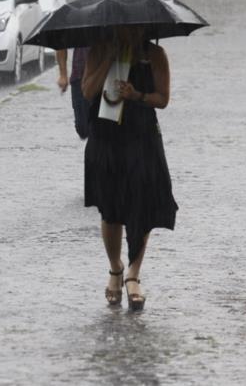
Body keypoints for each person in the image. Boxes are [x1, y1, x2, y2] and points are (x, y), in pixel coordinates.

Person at [81, 25, 178, 311]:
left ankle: (134, 275)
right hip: (107, 140)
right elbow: (87, 91)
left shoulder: (155, 55)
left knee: (141, 206)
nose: (127, 34)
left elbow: (163, 99)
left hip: (142, 138)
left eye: (132, 29)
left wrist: (136, 95)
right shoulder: (99, 50)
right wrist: (109, 60)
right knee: (111, 211)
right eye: (122, 29)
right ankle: (116, 268)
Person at [57, 0, 114, 139]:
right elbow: (61, 43)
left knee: (104, 128)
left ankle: (102, 156)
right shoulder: (78, 14)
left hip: (109, 78)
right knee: (83, 128)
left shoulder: (117, 16)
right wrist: (63, 74)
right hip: (80, 79)